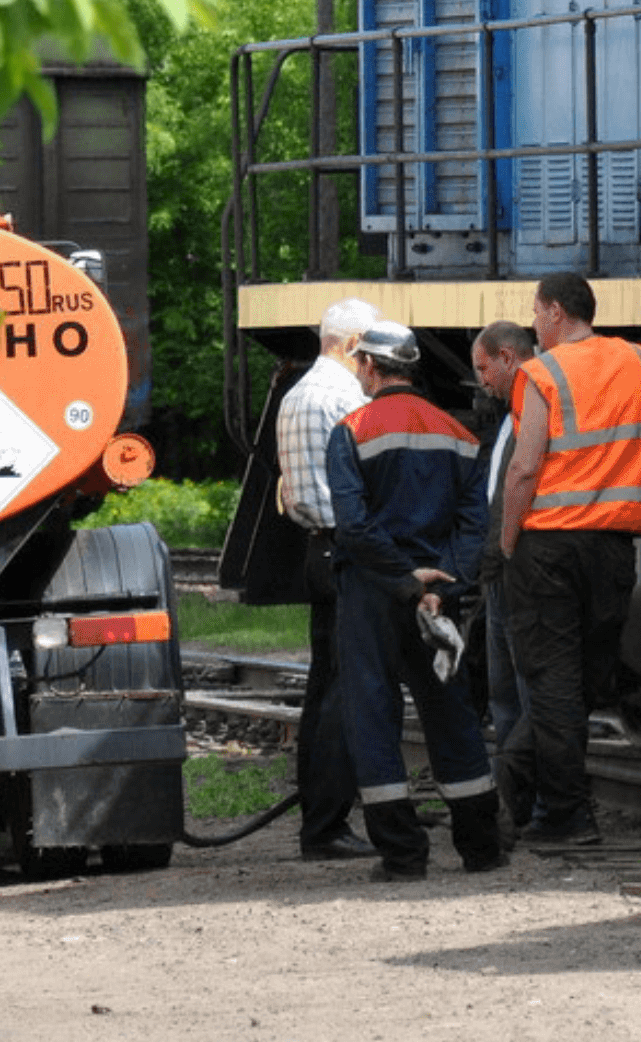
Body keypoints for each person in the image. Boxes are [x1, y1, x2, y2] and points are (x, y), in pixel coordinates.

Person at [498, 272, 641, 845]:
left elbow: (523, 466)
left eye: (535, 313)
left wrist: (506, 542)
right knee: (582, 683)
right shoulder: (638, 361)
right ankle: (518, 798)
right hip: (614, 550)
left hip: (547, 546)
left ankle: (561, 813)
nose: (533, 324)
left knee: (554, 684)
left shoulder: (540, 373)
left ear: (552, 312)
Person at [323, 321, 504, 881]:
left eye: (360, 367)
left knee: (372, 716)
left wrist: (403, 578)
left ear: (371, 367)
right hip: (437, 595)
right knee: (450, 713)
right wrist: (438, 585)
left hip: (374, 593)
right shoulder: (461, 434)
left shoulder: (351, 432)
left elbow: (353, 526)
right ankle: (481, 848)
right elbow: (476, 524)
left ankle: (403, 858)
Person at [272, 297, 382, 861]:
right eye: (371, 348)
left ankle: (321, 817)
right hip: (346, 551)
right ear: (353, 344)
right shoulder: (341, 398)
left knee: (324, 690)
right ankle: (328, 824)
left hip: (318, 549)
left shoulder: (297, 395)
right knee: (345, 692)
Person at [469, 318, 538, 836]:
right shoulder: (514, 413)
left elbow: (520, 481)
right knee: (504, 692)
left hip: (517, 569)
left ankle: (527, 804)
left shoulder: (534, 407)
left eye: (483, 367)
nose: (480, 380)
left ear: (508, 357)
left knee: (524, 687)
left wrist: (504, 552)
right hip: (502, 571)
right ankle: (517, 806)